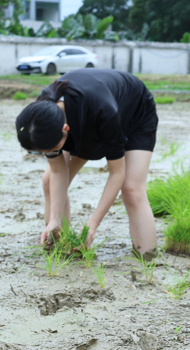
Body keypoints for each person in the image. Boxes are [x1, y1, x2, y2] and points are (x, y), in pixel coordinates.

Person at [15, 68, 159, 259]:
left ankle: (148, 259)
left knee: (131, 189)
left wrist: (93, 224)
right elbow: (58, 171)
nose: (46, 155)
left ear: (66, 130)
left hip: (133, 112)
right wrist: (54, 219)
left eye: (50, 149)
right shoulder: (40, 119)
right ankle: (61, 249)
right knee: (49, 181)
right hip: (86, 120)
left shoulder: (103, 110)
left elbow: (116, 173)